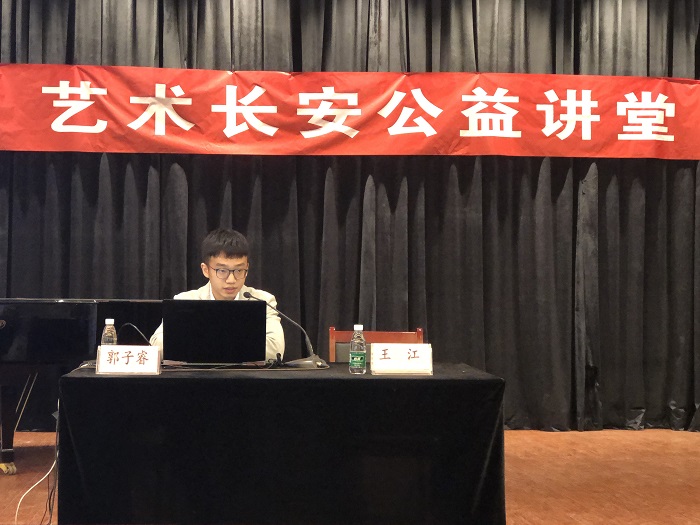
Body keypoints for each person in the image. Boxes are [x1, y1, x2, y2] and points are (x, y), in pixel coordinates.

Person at [150, 228, 285, 361]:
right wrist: (238, 346)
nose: (231, 280)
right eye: (222, 271)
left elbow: (276, 350)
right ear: (205, 270)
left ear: (247, 269)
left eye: (239, 270)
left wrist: (199, 344)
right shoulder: (184, 301)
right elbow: (157, 346)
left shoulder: (262, 300)